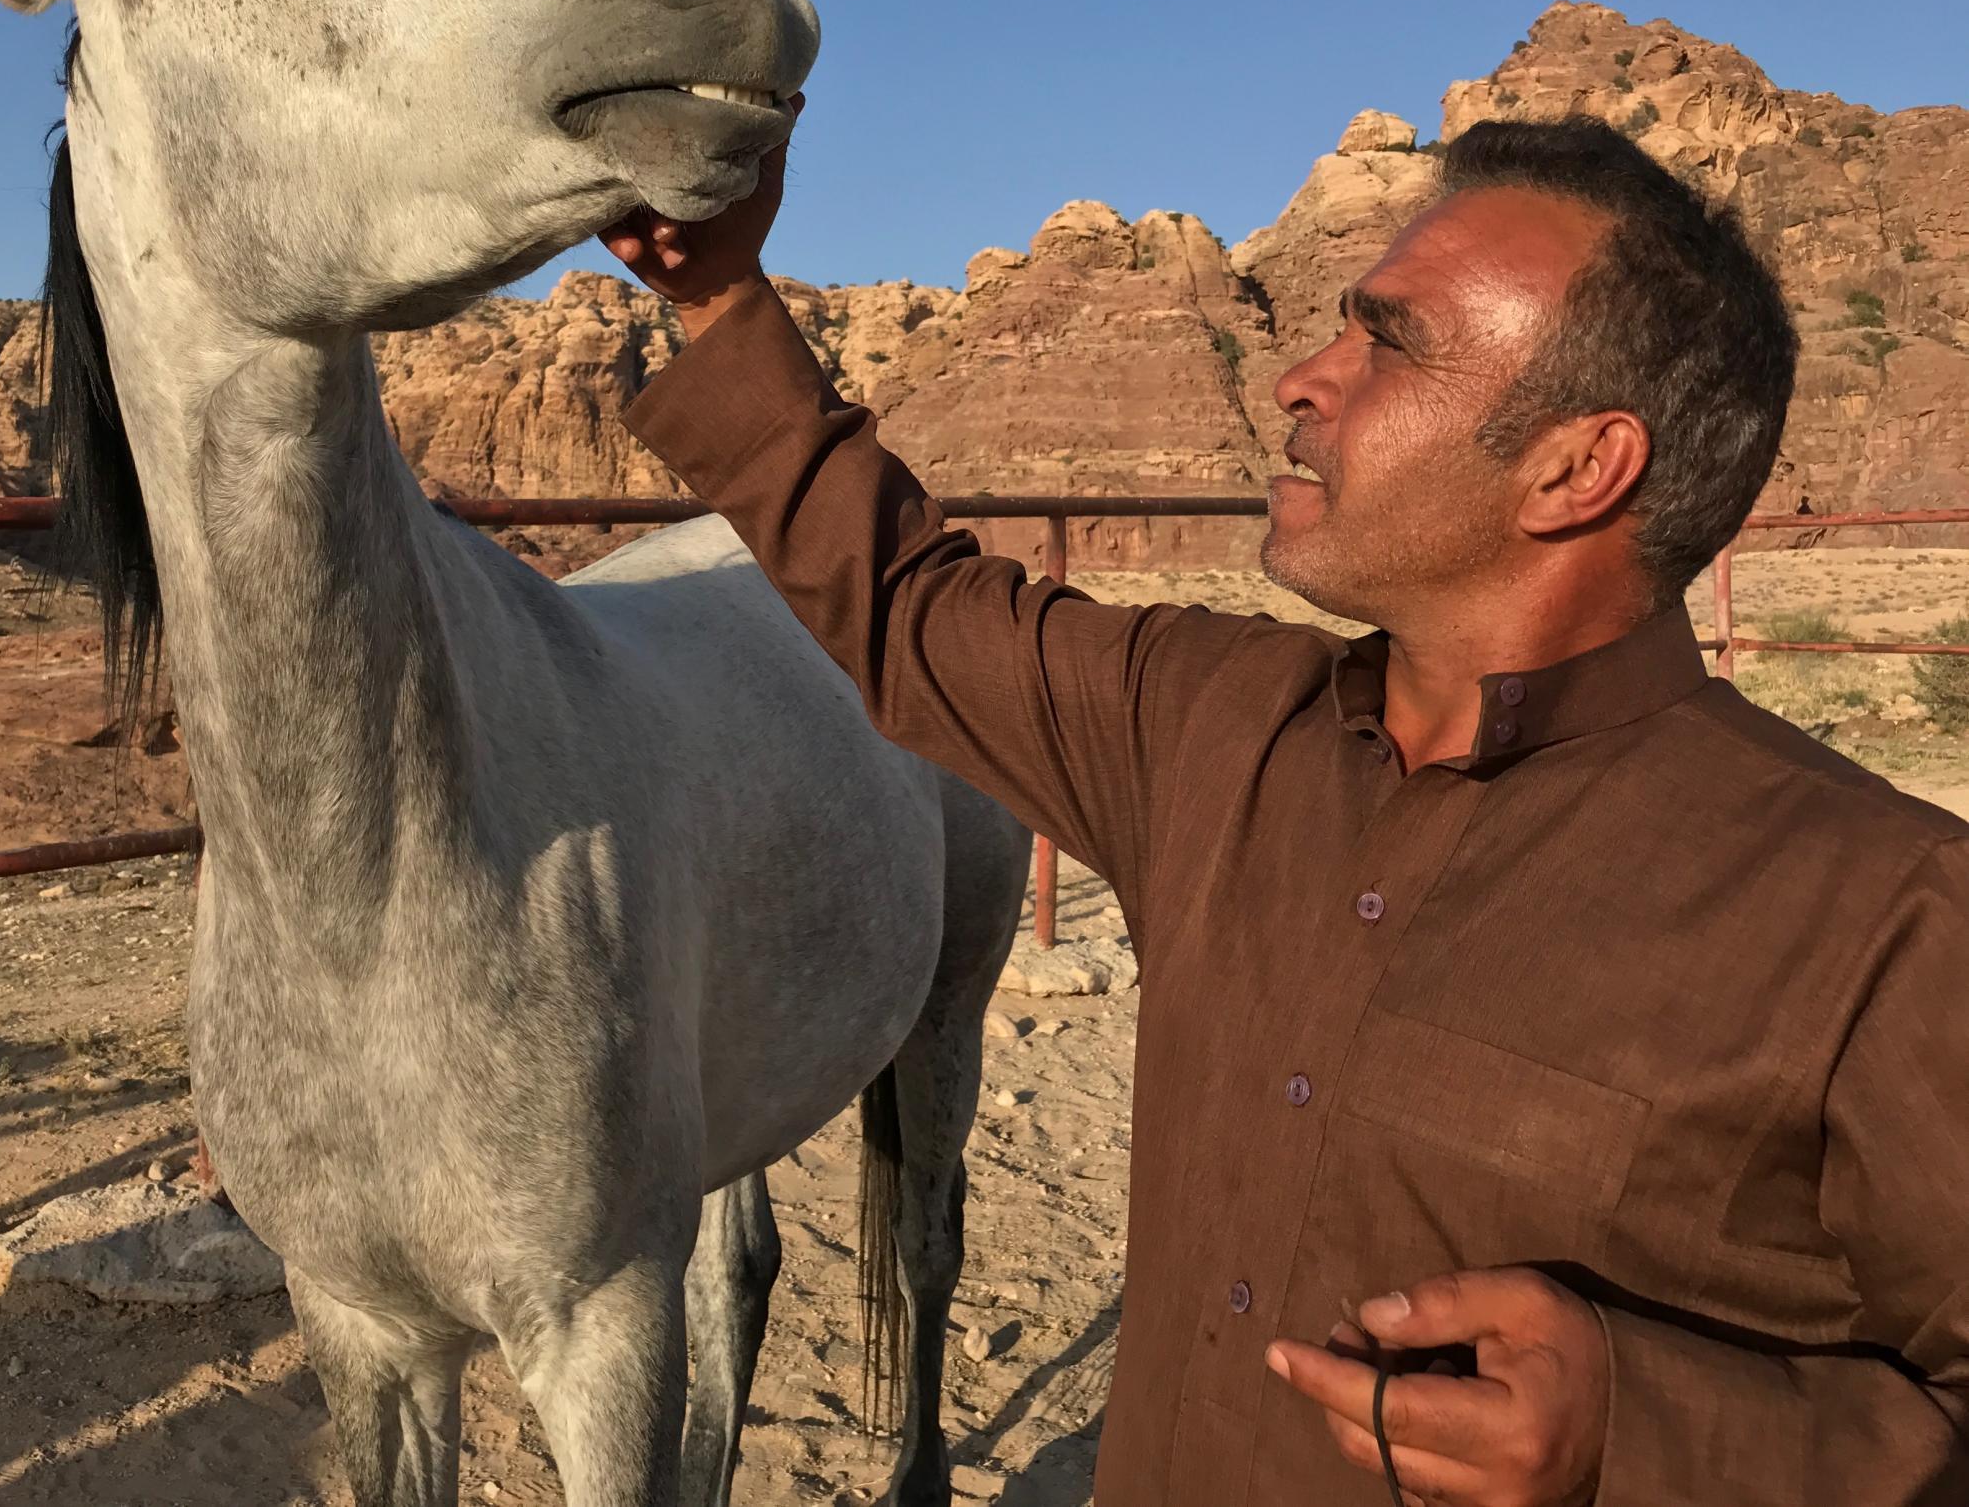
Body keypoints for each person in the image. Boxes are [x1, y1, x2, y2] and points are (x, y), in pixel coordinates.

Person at [600, 109, 1969, 1504]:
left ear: (1577, 467)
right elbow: (907, 603)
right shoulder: (1212, 727)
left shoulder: (1888, 917)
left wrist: (1653, 1429)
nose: (1301, 381)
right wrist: (719, 295)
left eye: (1392, 343)